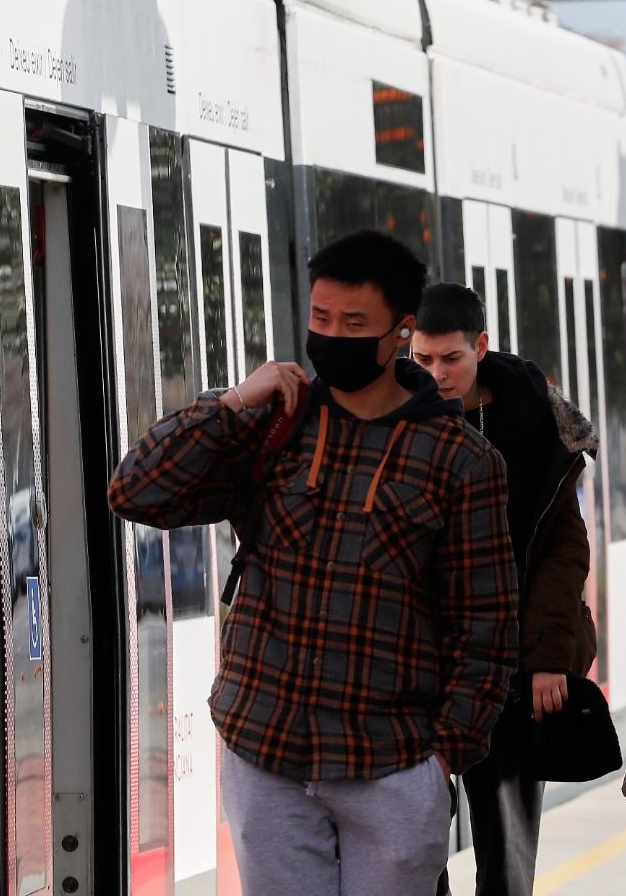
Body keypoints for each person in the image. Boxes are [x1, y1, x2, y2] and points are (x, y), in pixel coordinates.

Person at [107, 230, 518, 896]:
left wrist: (441, 756)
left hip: (390, 762)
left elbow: (487, 628)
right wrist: (234, 400)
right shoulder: (275, 421)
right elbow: (136, 491)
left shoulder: (462, 462)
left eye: (354, 324)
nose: (331, 336)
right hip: (265, 753)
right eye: (320, 319)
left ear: (399, 332)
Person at [411, 283, 599, 896]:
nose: (436, 375)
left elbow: (563, 551)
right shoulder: (391, 418)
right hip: (416, 670)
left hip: (510, 669)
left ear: (481, 347)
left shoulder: (533, 423)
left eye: (451, 359)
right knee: (407, 848)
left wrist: (549, 659)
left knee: (507, 859)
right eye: (421, 360)